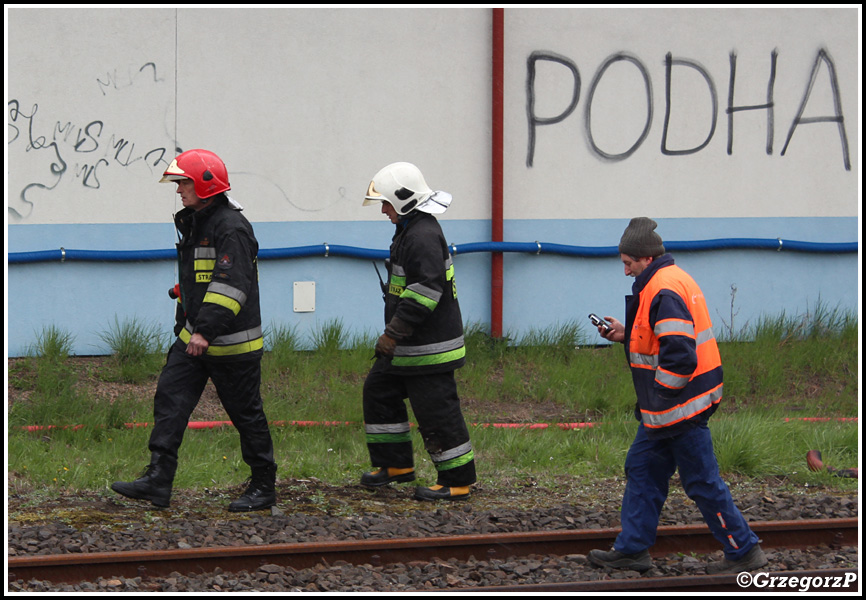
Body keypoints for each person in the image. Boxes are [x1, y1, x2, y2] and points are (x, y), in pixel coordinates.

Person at [587, 217, 767, 574]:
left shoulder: (662, 289)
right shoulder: (670, 279)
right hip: (669, 409)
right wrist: (627, 334)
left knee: (701, 482)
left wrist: (660, 395)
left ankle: (744, 552)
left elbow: (681, 355)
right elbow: (663, 337)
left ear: (646, 258)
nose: (625, 271)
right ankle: (632, 550)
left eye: (628, 263)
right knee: (642, 470)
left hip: (678, 408)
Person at [112, 149, 277, 512]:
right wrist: (186, 317)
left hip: (231, 345)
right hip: (193, 338)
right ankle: (158, 480)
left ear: (205, 183)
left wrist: (204, 331)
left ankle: (264, 486)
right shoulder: (196, 221)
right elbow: (197, 280)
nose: (178, 190)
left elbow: (231, 285)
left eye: (183, 182)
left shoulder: (231, 227)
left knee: (246, 414)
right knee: (170, 400)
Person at [359, 162, 476, 501]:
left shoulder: (421, 235)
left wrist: (393, 333)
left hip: (429, 348)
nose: (382, 210)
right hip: (408, 346)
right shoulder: (411, 229)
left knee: (437, 413)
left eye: (385, 203)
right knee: (378, 391)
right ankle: (395, 465)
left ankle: (457, 480)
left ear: (403, 200)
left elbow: (425, 291)